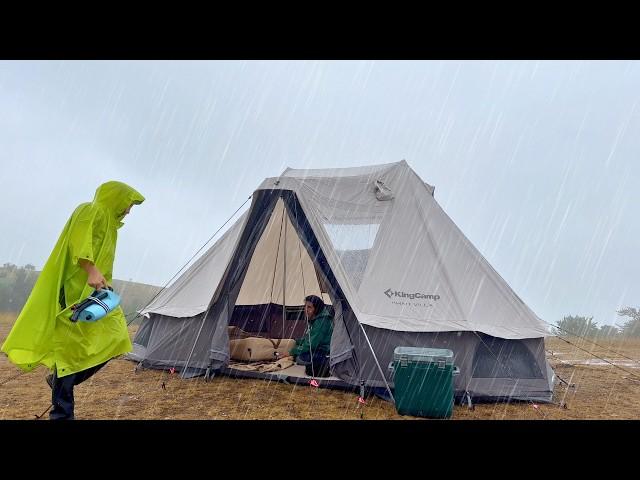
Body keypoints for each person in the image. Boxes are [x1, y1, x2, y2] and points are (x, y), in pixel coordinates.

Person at [1, 181, 144, 419]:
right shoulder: (90, 210)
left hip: (96, 295)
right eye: (129, 204)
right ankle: (62, 413)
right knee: (70, 352)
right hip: (72, 291)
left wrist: (103, 281)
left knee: (117, 339)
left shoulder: (111, 226)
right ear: (116, 197)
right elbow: (80, 243)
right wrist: (90, 270)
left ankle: (60, 379)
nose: (129, 210)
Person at [279, 294, 333, 377]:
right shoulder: (316, 320)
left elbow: (311, 344)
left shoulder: (321, 321)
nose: (306, 310)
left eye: (309, 307)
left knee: (300, 358)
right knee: (299, 354)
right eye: (305, 306)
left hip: (322, 351)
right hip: (317, 350)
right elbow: (309, 339)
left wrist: (291, 352)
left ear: (317, 309)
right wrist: (296, 341)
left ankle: (326, 361)